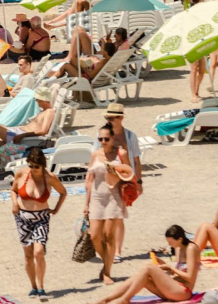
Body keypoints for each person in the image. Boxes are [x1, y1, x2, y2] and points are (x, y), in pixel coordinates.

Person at [91, 225, 201, 304]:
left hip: (183, 292)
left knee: (148, 267)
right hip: (173, 289)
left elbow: (189, 277)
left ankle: (125, 299)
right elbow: (177, 273)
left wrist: (170, 267)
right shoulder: (178, 248)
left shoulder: (191, 248)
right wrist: (165, 266)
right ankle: (107, 299)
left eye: (171, 242)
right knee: (140, 277)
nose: (170, 245)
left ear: (180, 239)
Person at [12, 147, 66, 301]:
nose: (33, 169)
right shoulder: (21, 174)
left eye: (36, 166)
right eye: (30, 165)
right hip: (23, 218)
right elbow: (13, 190)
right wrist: (14, 203)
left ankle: (41, 286)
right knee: (28, 255)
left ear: (42, 165)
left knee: (38, 252)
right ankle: (33, 287)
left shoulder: (50, 177)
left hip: (41, 218)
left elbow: (63, 192)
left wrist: (56, 209)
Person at [85, 123, 133, 284]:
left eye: (106, 139)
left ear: (113, 138)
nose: (103, 142)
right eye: (100, 139)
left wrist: (116, 171)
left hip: (114, 196)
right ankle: (107, 262)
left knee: (109, 235)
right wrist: (86, 203)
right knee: (94, 235)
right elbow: (89, 180)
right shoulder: (95, 155)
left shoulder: (121, 153)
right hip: (97, 197)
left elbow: (129, 174)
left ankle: (107, 271)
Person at [100, 103, 143, 258]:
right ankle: (109, 248)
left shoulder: (130, 137)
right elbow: (95, 157)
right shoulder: (103, 135)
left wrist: (138, 182)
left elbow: (137, 161)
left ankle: (117, 251)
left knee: (118, 217)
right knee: (105, 216)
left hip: (124, 181)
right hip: (105, 180)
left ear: (120, 118)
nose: (108, 120)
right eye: (107, 117)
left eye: (111, 118)